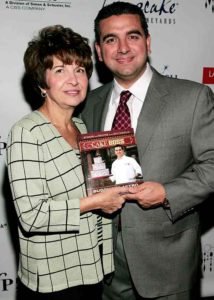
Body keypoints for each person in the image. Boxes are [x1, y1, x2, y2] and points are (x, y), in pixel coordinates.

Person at [80, 2, 214, 300]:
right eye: (111, 39)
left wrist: (167, 192)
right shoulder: (88, 104)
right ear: (99, 51)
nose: (123, 47)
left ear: (148, 42)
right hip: (103, 265)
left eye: (133, 36)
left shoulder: (192, 98)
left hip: (167, 261)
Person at [6, 25, 129, 300]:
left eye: (80, 70)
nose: (74, 80)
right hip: (54, 281)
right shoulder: (28, 132)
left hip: (91, 270)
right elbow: (32, 215)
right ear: (42, 82)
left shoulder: (82, 128)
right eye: (60, 70)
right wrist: (96, 202)